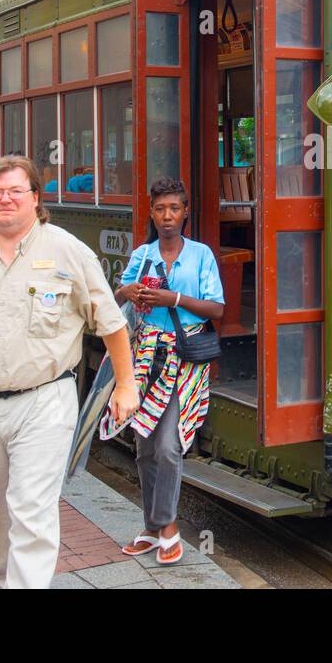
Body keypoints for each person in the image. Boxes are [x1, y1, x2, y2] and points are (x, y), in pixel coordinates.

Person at [0, 155, 137, 589]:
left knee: (31, 508)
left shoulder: (67, 251)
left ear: (36, 198)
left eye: (16, 191)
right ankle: (6, 580)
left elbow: (112, 322)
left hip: (44, 402)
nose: (5, 199)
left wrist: (125, 385)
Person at [107, 177, 224, 566]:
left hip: (185, 359)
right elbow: (121, 292)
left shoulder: (201, 254)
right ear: (152, 213)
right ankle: (152, 528)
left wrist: (173, 298)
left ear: (185, 212)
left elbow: (217, 308)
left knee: (169, 445)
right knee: (143, 445)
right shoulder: (142, 254)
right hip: (145, 358)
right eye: (160, 209)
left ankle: (167, 526)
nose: (167, 216)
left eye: (174, 208)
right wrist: (132, 292)